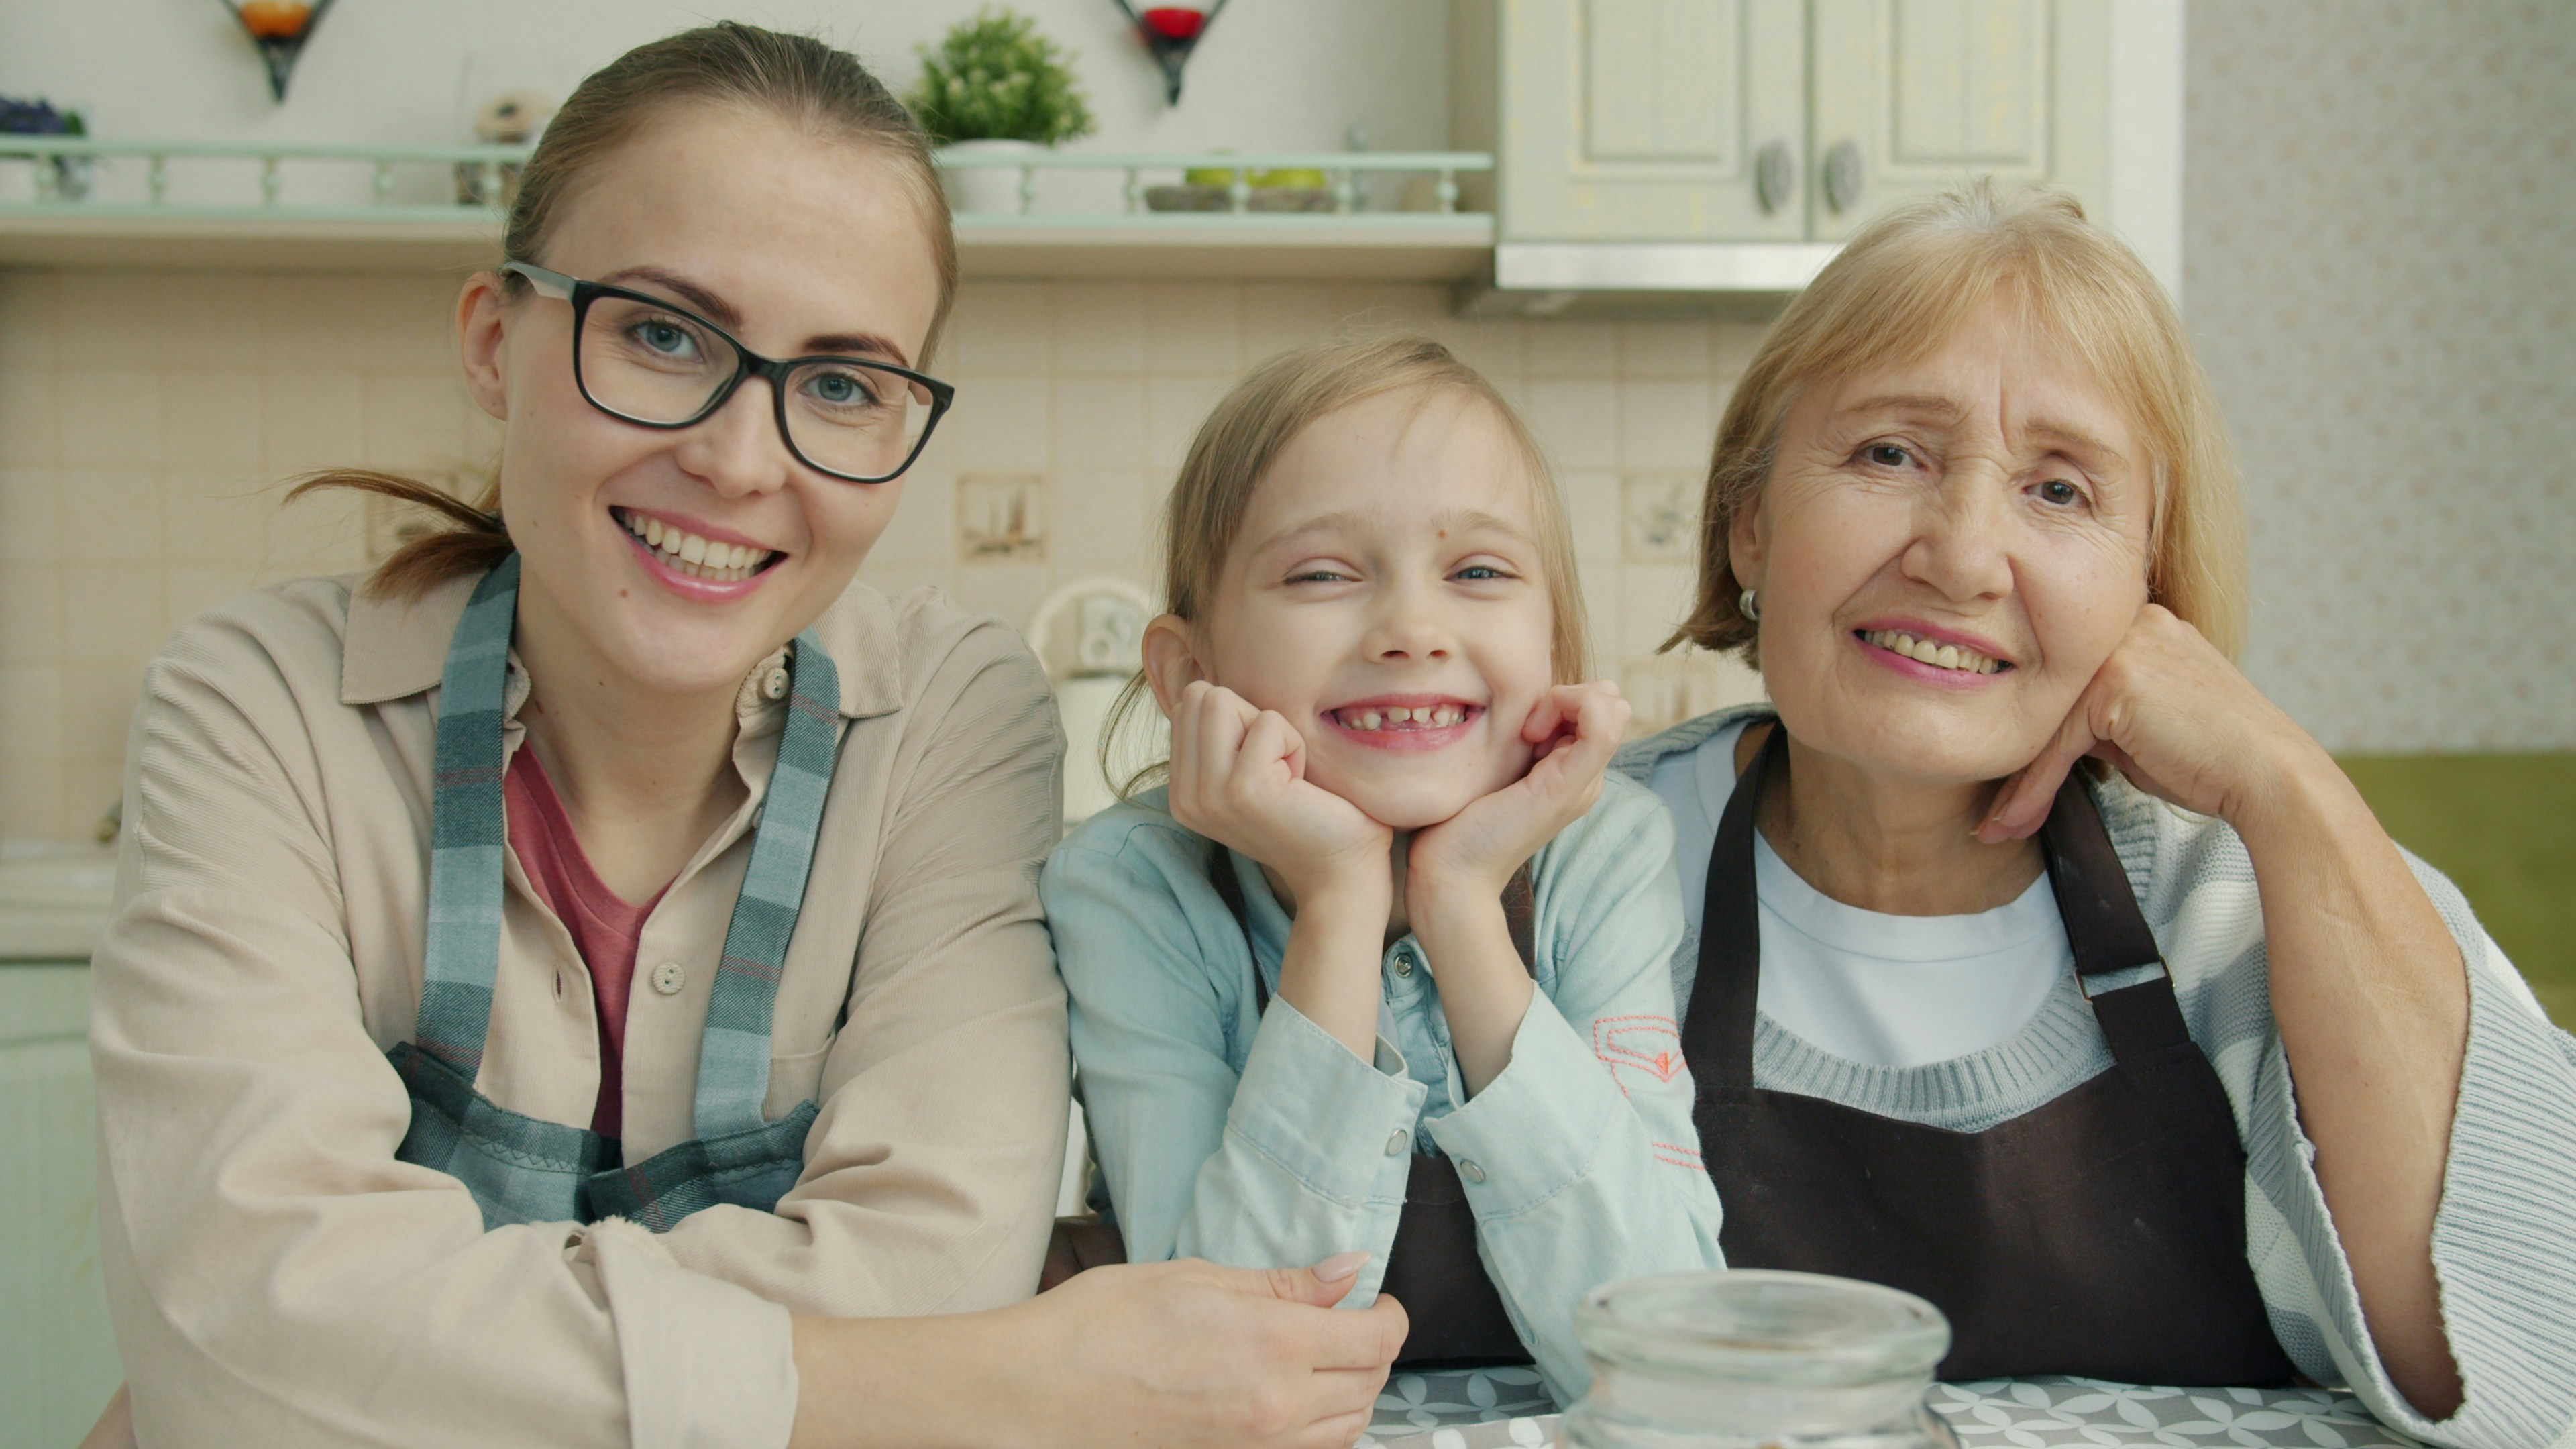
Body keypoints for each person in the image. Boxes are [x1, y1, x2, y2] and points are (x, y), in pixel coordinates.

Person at [84, 25, 1401, 1449]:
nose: (738, 461)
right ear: (492, 341)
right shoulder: (259, 704)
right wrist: (1005, 1381)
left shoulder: (950, 717)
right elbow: (246, 1351)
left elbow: (927, 1274)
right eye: (660, 334)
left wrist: (388, 1351)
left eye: (842, 384)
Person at [1615, 182, 2576, 1446]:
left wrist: (2283, 784)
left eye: (2061, 492)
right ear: (1751, 523)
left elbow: (2530, 1370)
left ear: (2148, 586)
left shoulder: (2245, 901)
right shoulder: (1578, 872)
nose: (1960, 557)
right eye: (1888, 453)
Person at [1042, 333, 1726, 1413]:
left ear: (1554, 648)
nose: (1413, 629)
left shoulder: (1606, 854)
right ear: (1190, 673)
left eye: (1480, 572)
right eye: (1321, 574)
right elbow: (1212, 1369)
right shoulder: (1129, 889)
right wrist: (1340, 904)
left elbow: (1669, 1363)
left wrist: (1459, 905)